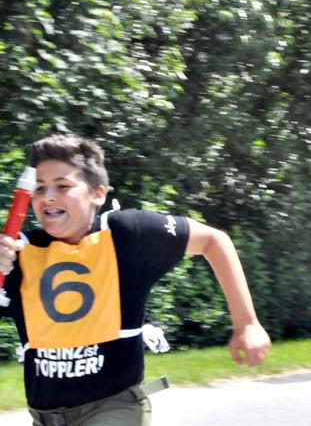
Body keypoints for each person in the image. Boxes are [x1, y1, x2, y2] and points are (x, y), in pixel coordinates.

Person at [0, 134, 271, 425]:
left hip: (114, 409)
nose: (49, 196)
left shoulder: (126, 234)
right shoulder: (18, 251)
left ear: (97, 194)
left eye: (63, 186)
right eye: (40, 188)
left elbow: (213, 240)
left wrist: (247, 323)